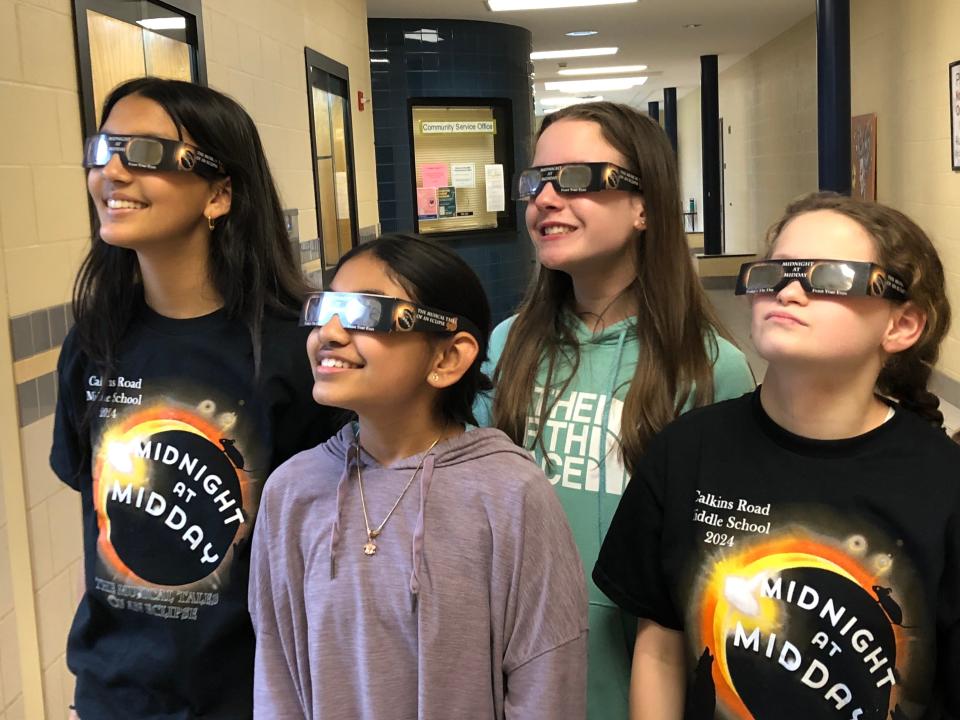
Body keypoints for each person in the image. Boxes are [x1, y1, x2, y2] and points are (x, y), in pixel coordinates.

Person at [594, 192, 960, 719]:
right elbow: (661, 644)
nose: (788, 291)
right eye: (773, 273)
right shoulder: (687, 451)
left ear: (901, 325)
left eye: (829, 277)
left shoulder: (944, 484)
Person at [51, 77, 339, 719]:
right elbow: (100, 529)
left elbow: (330, 549)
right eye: (103, 150)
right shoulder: (94, 342)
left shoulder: (296, 351)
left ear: (219, 193)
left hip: (254, 696)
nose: (113, 173)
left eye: (146, 154)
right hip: (115, 696)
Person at [476, 101, 755, 717]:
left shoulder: (709, 368)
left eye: (576, 178)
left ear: (645, 207)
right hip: (509, 672)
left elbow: (716, 568)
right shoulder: (506, 345)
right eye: (536, 181)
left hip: (637, 681)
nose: (545, 198)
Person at [249, 234, 589, 719]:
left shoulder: (511, 496)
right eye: (326, 307)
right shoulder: (291, 493)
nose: (329, 331)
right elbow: (277, 680)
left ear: (447, 358)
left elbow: (546, 690)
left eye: (366, 313)